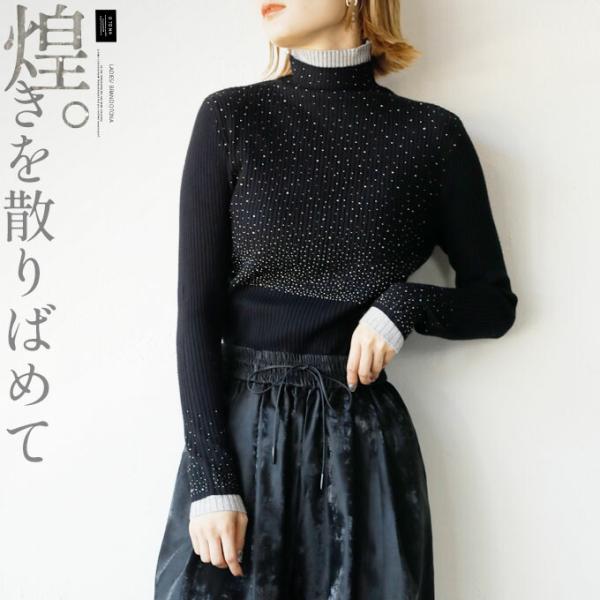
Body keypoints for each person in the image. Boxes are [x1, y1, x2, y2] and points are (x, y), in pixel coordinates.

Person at [154, 1, 518, 598]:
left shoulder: (431, 136)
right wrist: (211, 479)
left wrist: (405, 306)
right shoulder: (232, 117)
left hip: (362, 451)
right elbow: (196, 313)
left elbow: (493, 304)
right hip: (241, 438)